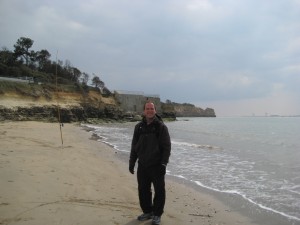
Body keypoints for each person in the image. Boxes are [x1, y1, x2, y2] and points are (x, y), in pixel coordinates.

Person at [129, 101, 171, 225]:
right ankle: (147, 211)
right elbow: (134, 146)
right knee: (143, 190)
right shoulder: (139, 127)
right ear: (144, 111)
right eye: (147, 108)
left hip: (157, 165)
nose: (149, 110)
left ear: (155, 110)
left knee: (159, 191)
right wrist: (132, 162)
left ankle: (157, 215)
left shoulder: (161, 127)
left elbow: (166, 147)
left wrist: (163, 164)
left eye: (152, 108)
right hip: (142, 165)